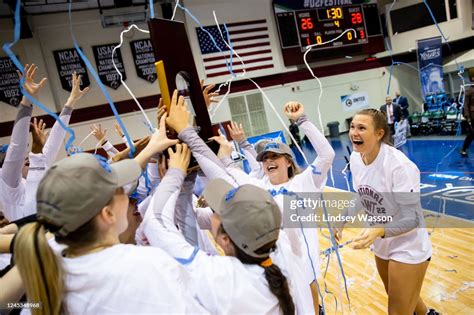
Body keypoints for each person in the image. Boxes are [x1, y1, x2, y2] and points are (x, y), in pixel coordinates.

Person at [13, 114, 207, 314]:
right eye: (122, 192)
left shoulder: (44, 284)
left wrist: (151, 148)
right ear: (107, 214)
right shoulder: (148, 267)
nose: (130, 197)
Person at [164, 91, 335, 312]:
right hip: (274, 272)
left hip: (304, 271)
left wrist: (302, 120)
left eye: (274, 156)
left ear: (289, 162)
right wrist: (191, 136)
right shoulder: (258, 188)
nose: (268, 161)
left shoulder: (304, 184)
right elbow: (222, 173)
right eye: (265, 159)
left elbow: (327, 155)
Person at [141, 141, 314, 314]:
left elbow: (155, 224)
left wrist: (175, 175)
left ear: (224, 239)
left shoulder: (222, 278)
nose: (212, 212)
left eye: (218, 211)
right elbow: (235, 188)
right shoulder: (283, 246)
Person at [337, 108, 437, 315]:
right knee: (397, 294)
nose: (354, 132)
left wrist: (378, 230)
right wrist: (342, 218)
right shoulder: (357, 158)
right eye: (352, 127)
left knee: (398, 310)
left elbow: (413, 218)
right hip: (382, 242)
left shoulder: (398, 165)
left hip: (408, 245)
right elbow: (363, 194)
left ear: (379, 133)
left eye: (362, 128)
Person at [461, 86, 474, 157]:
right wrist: (467, 117)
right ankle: (463, 149)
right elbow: (466, 105)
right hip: (472, 117)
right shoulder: (469, 90)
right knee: (471, 134)